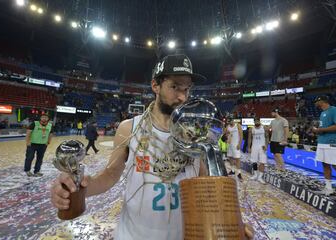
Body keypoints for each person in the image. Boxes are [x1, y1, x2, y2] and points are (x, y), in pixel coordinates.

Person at [50, 54, 253, 240]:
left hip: (182, 234)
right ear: (155, 85)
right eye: (175, 87)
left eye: (187, 89)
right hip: (133, 235)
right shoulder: (129, 128)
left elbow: (205, 184)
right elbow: (110, 174)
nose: (182, 97)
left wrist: (231, 223)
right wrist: (81, 188)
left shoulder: (195, 132)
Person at [313, 96, 336, 205]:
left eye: (317, 101)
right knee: (325, 164)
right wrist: (317, 131)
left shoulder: (335, 110)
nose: (315, 103)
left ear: (322, 101)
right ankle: (328, 188)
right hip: (323, 141)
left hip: (334, 142)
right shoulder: (322, 113)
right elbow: (323, 128)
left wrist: (321, 130)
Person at [248, 118, 268, 184]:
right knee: (254, 161)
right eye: (255, 121)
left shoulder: (264, 127)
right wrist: (249, 147)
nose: (256, 122)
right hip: (254, 146)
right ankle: (255, 175)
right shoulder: (251, 129)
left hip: (262, 146)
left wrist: (266, 145)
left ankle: (260, 177)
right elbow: (249, 138)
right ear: (254, 122)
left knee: (262, 161)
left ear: (259, 121)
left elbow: (267, 137)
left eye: (257, 121)